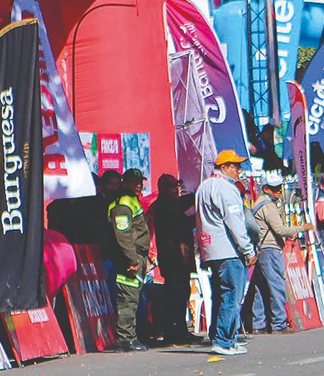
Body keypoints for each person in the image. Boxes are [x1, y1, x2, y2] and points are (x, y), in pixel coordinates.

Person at [196, 150, 256, 355]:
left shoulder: (204, 187)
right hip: (228, 250)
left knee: (220, 296)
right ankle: (223, 340)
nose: (239, 170)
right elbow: (235, 223)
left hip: (211, 249)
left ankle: (224, 336)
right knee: (232, 296)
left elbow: (199, 223)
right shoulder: (226, 189)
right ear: (224, 168)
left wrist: (202, 251)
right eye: (235, 166)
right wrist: (248, 249)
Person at [247, 173, 311, 333]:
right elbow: (280, 229)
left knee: (260, 289)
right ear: (266, 189)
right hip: (270, 249)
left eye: (280, 188)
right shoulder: (268, 206)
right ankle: (279, 324)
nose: (279, 192)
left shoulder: (258, 204)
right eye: (275, 189)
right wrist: (302, 227)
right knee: (276, 286)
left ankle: (258, 324)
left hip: (261, 249)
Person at [150, 173, 200, 345]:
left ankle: (179, 329)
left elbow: (183, 203)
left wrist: (196, 196)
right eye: (172, 186)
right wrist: (199, 217)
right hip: (174, 259)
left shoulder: (172, 204)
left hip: (179, 260)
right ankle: (175, 331)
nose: (176, 190)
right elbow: (182, 222)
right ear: (163, 188)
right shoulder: (164, 206)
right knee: (176, 295)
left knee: (181, 293)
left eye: (177, 186)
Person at [107, 169, 152, 351]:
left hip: (137, 256)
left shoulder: (132, 200)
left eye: (140, 181)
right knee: (127, 299)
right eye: (134, 182)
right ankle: (125, 339)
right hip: (127, 259)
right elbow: (123, 235)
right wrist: (132, 260)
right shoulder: (123, 204)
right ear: (125, 183)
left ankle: (131, 336)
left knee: (133, 298)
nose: (139, 185)